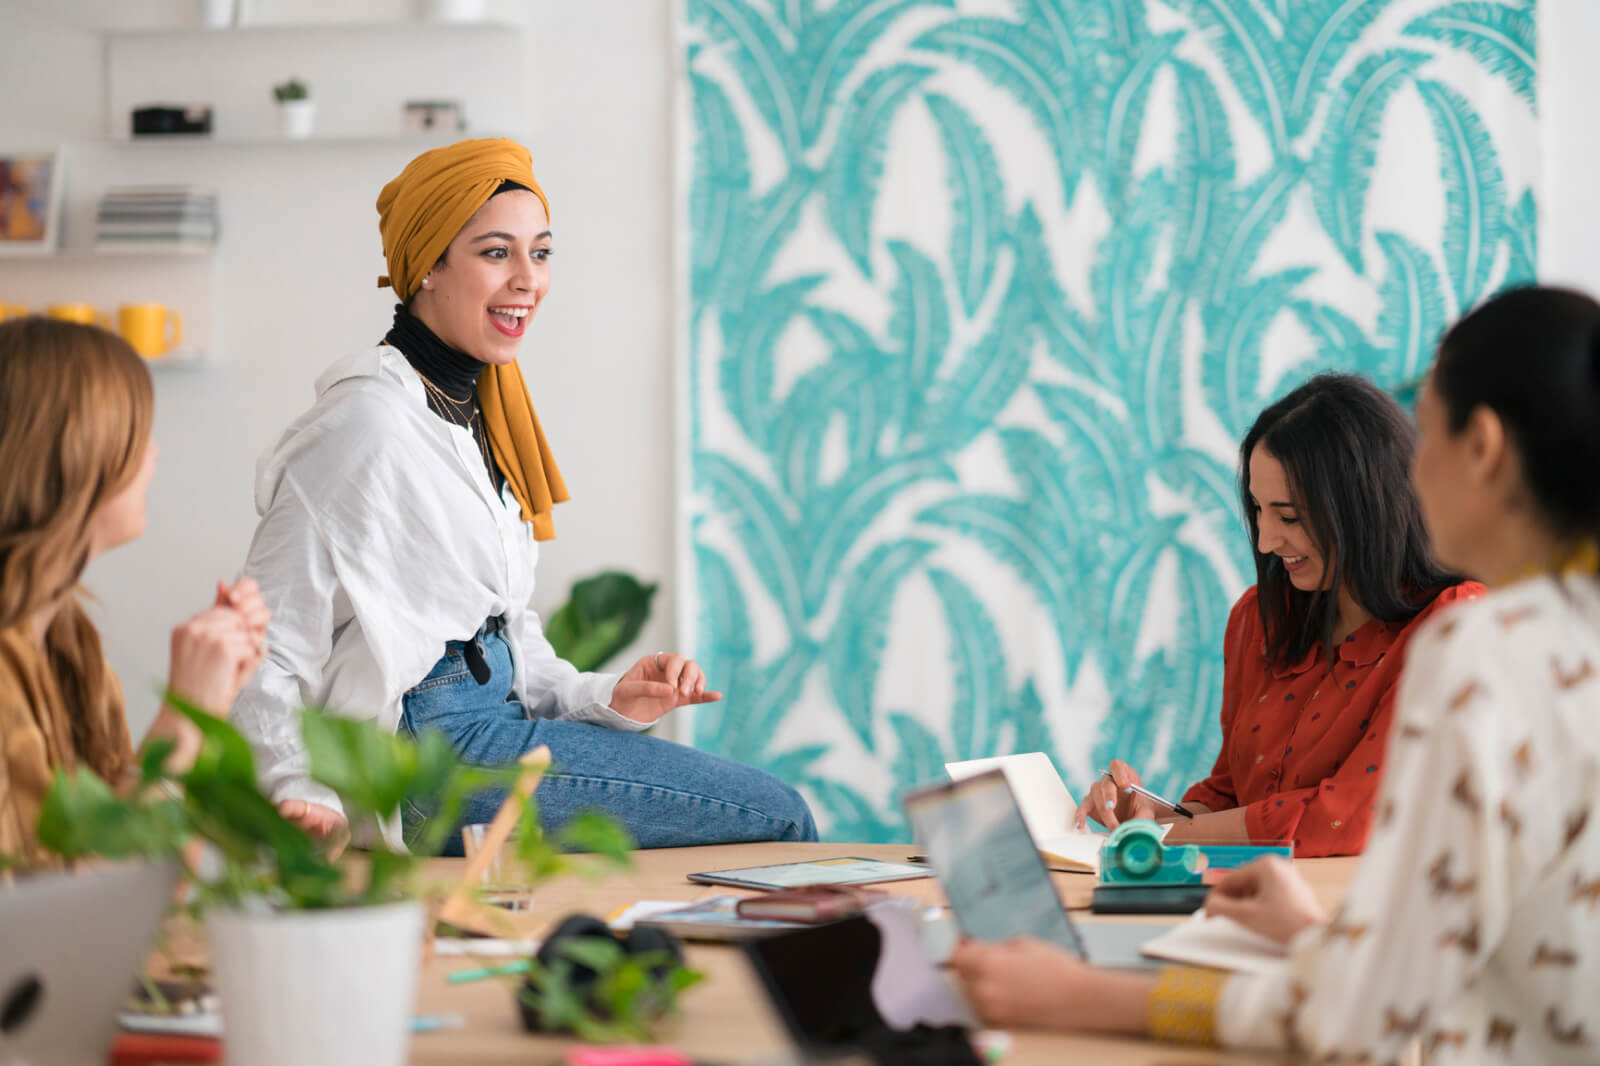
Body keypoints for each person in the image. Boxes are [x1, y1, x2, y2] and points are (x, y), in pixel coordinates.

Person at [951, 286, 1600, 1063]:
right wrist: (1163, 825)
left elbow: (1360, 1019)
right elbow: (1481, 937)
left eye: (1424, 433)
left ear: (1483, 447)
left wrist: (1083, 996)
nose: (1414, 473)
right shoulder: (1551, 637)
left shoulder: (1478, 644)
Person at [232, 138, 816, 854]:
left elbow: (502, 629)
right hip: (424, 758)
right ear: (427, 269)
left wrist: (606, 697)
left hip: (487, 727)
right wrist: (298, 790)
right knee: (782, 820)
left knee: (770, 820)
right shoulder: (365, 426)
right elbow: (265, 642)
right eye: (495, 252)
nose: (527, 280)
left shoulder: (474, 416)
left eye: (540, 253)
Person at [1075, 374, 1482, 856]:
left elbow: (1348, 818)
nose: (1266, 541)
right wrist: (1141, 811)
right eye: (1257, 509)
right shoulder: (1258, 618)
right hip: (1249, 904)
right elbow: (1231, 795)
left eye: (1288, 517)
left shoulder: (1453, 623)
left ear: (1364, 506)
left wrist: (1159, 837)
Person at [0, 318, 269, 865]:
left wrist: (207, 710)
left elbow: (150, 873)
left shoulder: (73, 648)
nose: (154, 454)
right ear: (72, 455)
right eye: (135, 433)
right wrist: (183, 714)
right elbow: (65, 908)